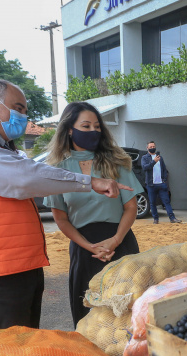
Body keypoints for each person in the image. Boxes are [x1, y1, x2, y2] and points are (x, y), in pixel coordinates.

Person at [0, 79, 133, 331]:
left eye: (25, 111)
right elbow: (23, 178)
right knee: (13, 351)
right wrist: (89, 182)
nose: (23, 117)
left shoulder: (3, 147)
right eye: (18, 108)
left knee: (28, 345)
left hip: (24, 261)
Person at [43, 102, 144, 327]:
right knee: (88, 316)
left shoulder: (116, 162)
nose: (93, 132)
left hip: (120, 244)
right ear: (69, 129)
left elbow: (130, 207)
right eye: (86, 126)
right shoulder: (57, 171)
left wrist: (115, 240)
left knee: (125, 314)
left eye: (97, 127)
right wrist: (90, 247)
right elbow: (61, 219)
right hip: (84, 249)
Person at [140, 141, 181, 224]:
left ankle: (172, 218)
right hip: (151, 185)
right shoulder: (145, 158)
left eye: (153, 146)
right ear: (147, 148)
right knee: (152, 203)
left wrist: (164, 180)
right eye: (150, 147)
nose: (152, 148)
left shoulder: (160, 158)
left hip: (161, 184)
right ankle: (156, 219)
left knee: (166, 202)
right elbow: (145, 167)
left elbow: (164, 169)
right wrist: (154, 161)